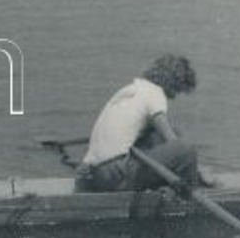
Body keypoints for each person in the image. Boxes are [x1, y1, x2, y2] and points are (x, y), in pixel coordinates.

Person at [75, 54, 203, 193]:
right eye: (178, 89)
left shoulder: (130, 90)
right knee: (186, 149)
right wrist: (197, 172)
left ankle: (169, 185)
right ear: (173, 82)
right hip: (117, 177)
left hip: (93, 175)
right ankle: (190, 193)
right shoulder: (155, 94)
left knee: (154, 136)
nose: (175, 96)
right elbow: (173, 141)